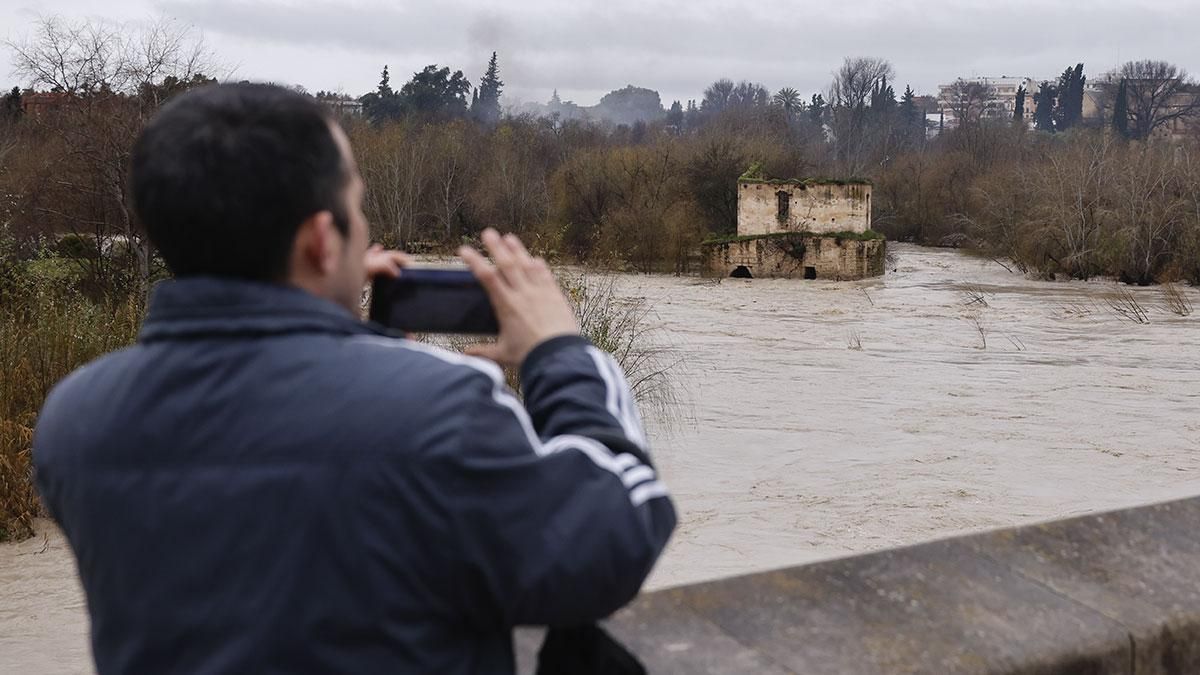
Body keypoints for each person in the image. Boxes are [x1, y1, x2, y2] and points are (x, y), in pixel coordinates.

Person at [33, 83, 675, 674]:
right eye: (355, 207)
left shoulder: (75, 418)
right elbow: (619, 529)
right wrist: (562, 351)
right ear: (322, 240)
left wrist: (338, 332)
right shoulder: (439, 405)